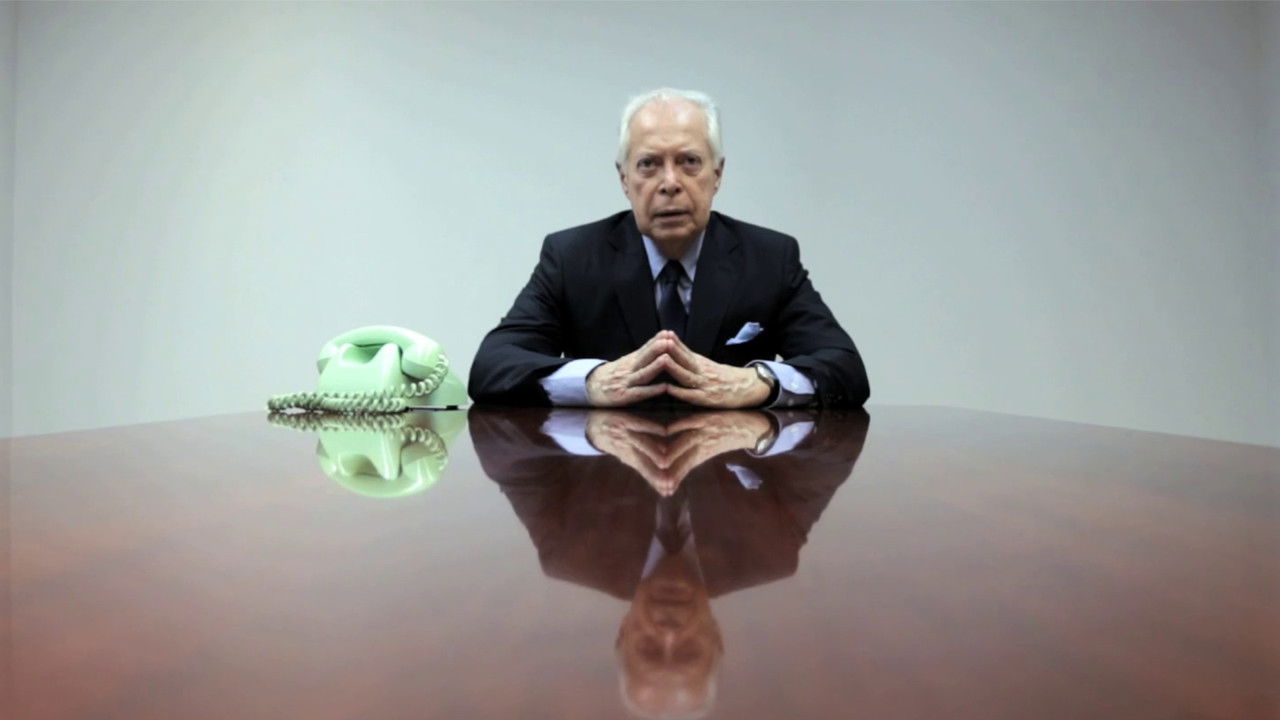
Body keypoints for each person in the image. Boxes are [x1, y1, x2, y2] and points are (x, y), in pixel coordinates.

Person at [469, 88, 869, 409]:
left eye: (689, 161)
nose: (670, 183)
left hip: (730, 472)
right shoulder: (572, 257)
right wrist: (590, 381)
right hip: (607, 473)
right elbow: (493, 365)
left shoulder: (769, 258)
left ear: (717, 174)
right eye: (649, 164)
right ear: (624, 178)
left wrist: (759, 381)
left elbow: (846, 368)